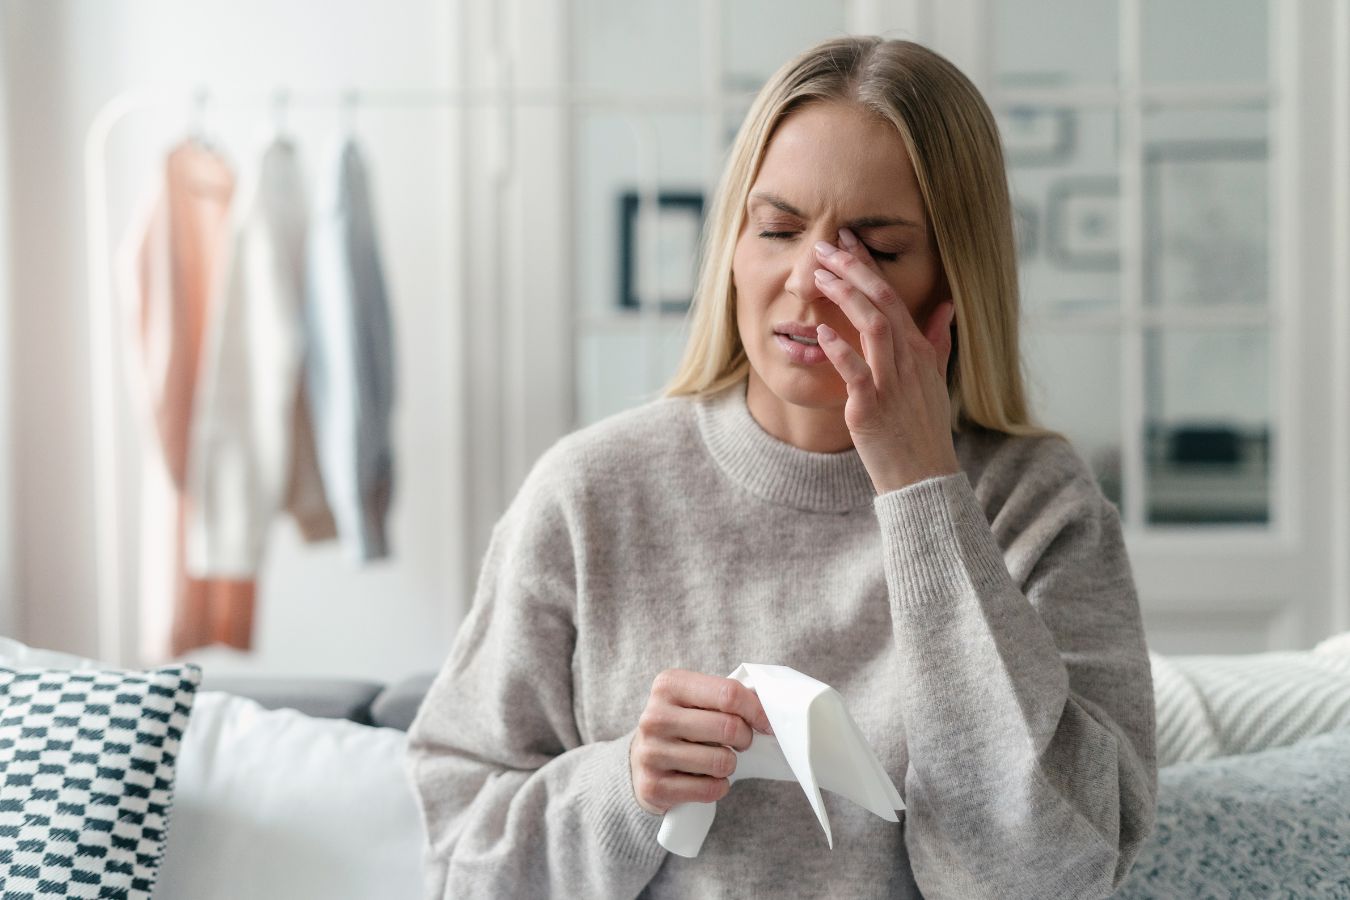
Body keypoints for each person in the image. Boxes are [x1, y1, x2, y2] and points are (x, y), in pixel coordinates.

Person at [407, 35, 1157, 899]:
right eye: (778, 229)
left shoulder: (1038, 506)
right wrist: (625, 790)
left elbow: (1046, 879)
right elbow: (459, 861)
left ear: (954, 277)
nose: (810, 284)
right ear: (733, 246)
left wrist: (921, 490)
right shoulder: (588, 495)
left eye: (875, 250)